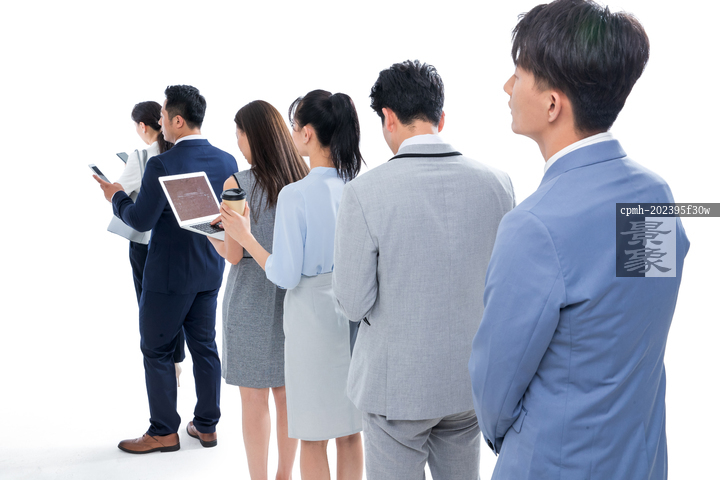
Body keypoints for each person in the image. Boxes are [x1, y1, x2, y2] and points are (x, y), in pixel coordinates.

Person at [468, 1, 690, 479]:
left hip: (554, 463)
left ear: (552, 104)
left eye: (518, 75)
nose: (507, 87)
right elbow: (636, 330)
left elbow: (495, 388)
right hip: (638, 460)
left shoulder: (533, 226)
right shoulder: (652, 197)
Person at [332, 60, 515, 480]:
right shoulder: (498, 183)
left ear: (388, 118)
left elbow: (353, 303)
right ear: (441, 118)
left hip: (395, 388)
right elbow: (504, 285)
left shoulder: (364, 192)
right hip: (467, 381)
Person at [220, 90, 364, 480]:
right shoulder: (354, 185)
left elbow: (285, 274)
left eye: (297, 125)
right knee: (350, 430)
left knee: (313, 433)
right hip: (350, 312)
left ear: (308, 133)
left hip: (308, 316)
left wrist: (244, 235)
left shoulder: (296, 194)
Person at [95, 85, 237, 454]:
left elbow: (140, 220)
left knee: (156, 349)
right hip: (210, 269)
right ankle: (206, 426)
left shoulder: (162, 163)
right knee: (204, 347)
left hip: (169, 275)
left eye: (162, 115)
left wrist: (116, 196)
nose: (159, 121)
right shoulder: (227, 160)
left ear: (177, 121)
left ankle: (163, 431)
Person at [207, 100, 308, 479]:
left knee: (254, 400)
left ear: (251, 135)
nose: (237, 141)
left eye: (239, 133)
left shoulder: (237, 184)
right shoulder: (302, 178)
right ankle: (285, 475)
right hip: (292, 297)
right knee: (287, 395)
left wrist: (208, 234)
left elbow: (234, 255)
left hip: (249, 297)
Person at [116, 101, 185, 385]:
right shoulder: (179, 152)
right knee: (178, 302)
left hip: (145, 243)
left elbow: (120, 190)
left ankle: (163, 364)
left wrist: (115, 189)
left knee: (149, 304)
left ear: (143, 126)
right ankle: (177, 360)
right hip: (178, 241)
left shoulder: (141, 156)